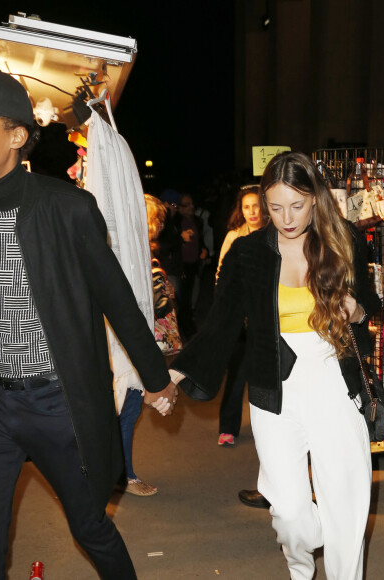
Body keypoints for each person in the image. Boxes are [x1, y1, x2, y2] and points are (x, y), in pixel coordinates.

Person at [0, 70, 178, 580]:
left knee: (90, 527)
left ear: (17, 135)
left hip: (58, 402)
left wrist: (154, 380)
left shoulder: (68, 209)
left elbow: (118, 299)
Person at [170, 152, 381, 580]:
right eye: (275, 207)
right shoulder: (248, 253)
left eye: (297, 206)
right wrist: (173, 374)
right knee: (288, 512)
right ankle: (302, 566)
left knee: (346, 505)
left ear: (315, 199)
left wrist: (356, 311)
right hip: (274, 386)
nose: (286, 218)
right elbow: (221, 322)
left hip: (334, 380)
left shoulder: (344, 241)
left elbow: (371, 305)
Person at [114, 194, 169, 498]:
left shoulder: (130, 253)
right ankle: (126, 476)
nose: (157, 226)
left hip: (122, 344)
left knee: (123, 410)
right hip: (128, 346)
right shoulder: (136, 257)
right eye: (154, 219)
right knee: (128, 409)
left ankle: (119, 473)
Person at [216, 185, 268, 447]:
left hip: (267, 317)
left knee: (268, 375)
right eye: (247, 207)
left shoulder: (274, 234)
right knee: (236, 375)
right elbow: (221, 277)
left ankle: (272, 429)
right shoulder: (234, 237)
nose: (252, 212)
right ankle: (227, 427)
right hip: (240, 318)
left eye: (256, 206)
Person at [174, 192, 208, 339]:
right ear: (180, 208)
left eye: (192, 204)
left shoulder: (197, 220)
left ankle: (187, 325)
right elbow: (171, 243)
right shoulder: (175, 222)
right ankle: (186, 328)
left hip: (194, 263)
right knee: (183, 298)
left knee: (190, 296)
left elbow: (200, 239)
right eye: (186, 205)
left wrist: (204, 250)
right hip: (181, 265)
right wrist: (180, 238)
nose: (191, 207)